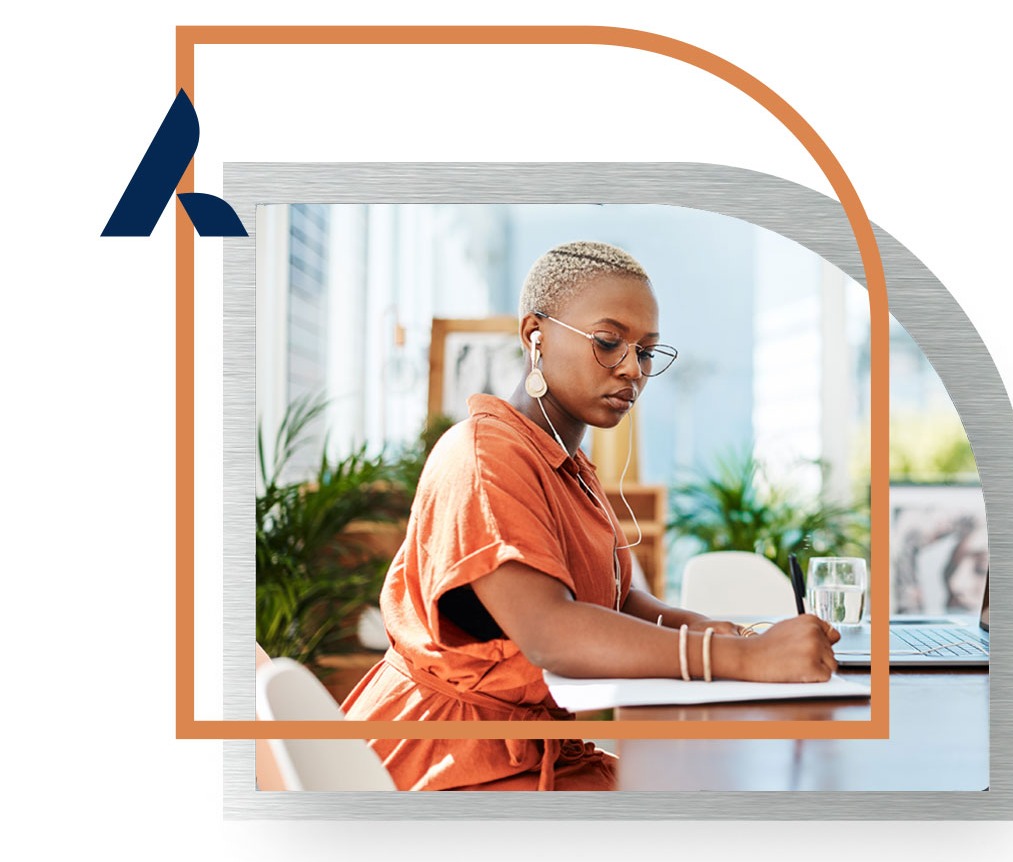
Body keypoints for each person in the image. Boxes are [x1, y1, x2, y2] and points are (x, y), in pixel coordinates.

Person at [341, 240, 840, 791]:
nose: (632, 370)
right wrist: (740, 659)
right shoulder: (485, 456)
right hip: (448, 758)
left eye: (646, 352)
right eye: (608, 342)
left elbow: (618, 602)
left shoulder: (565, 463)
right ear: (535, 335)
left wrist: (712, 629)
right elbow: (551, 633)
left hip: (530, 750)